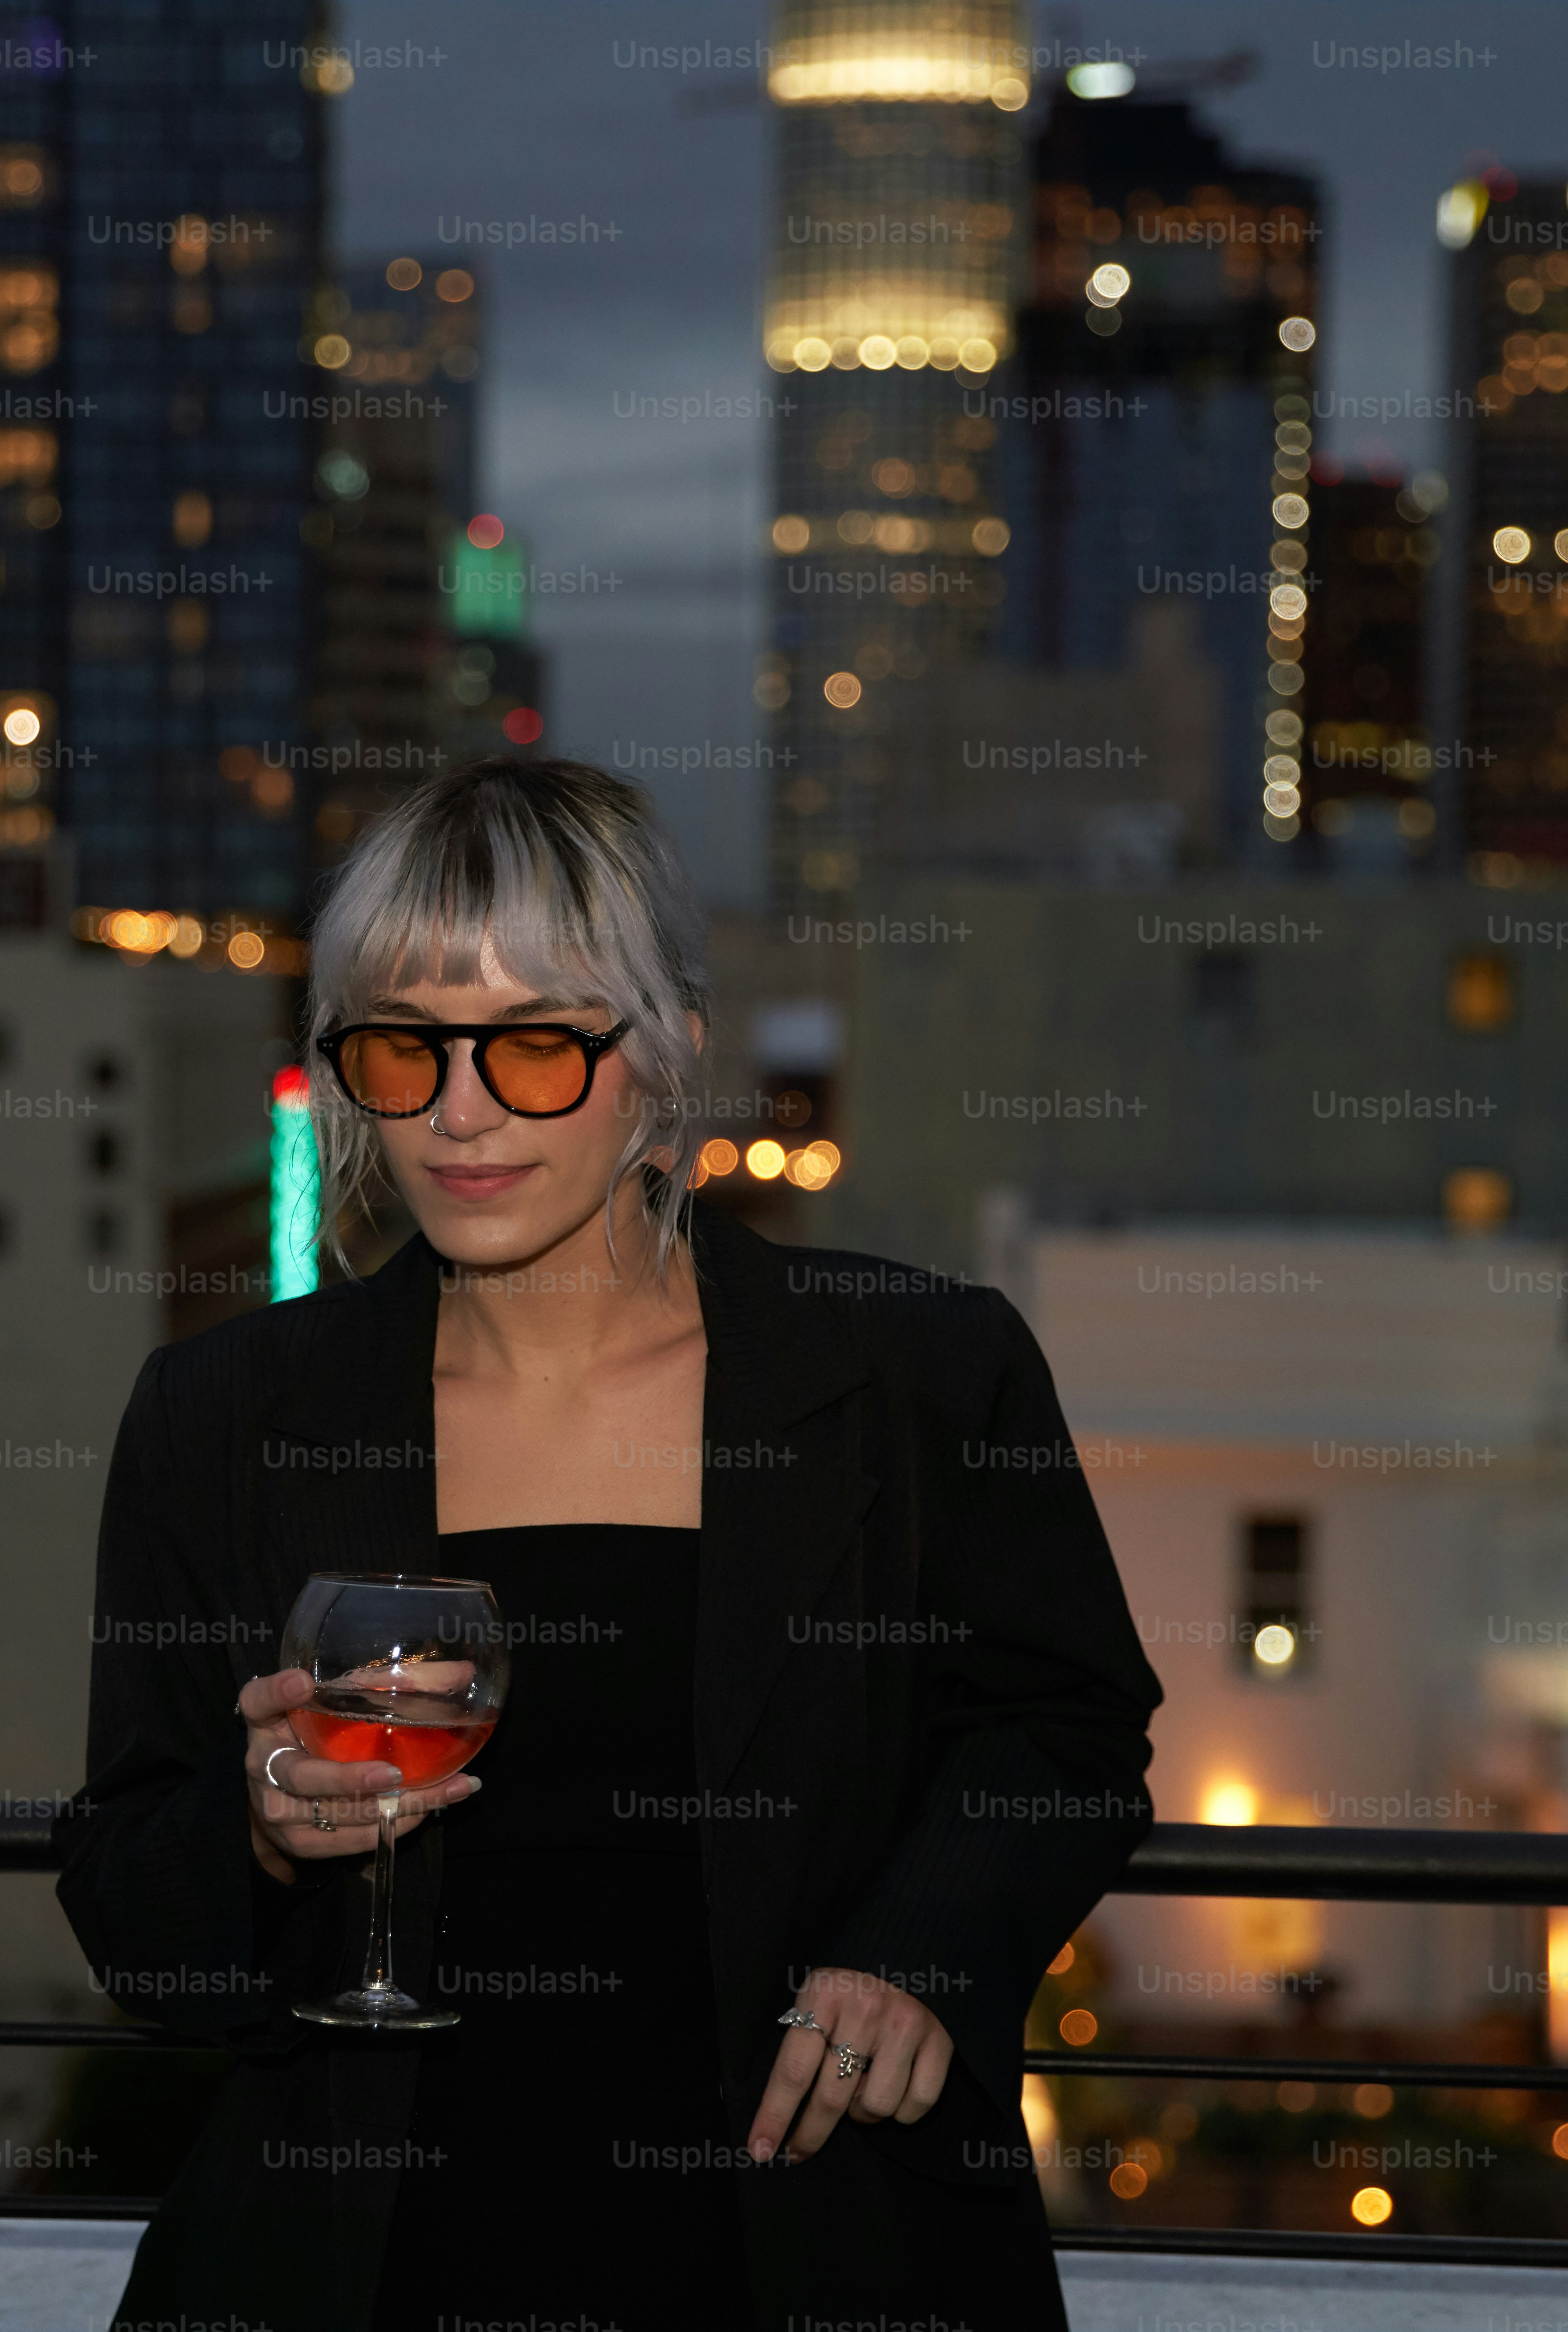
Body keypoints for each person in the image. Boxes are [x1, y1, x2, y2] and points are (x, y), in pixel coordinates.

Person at [57, 755, 1164, 2331]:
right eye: (404, 1047)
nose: (458, 1113)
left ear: (668, 1056)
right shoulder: (222, 1414)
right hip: (363, 2269)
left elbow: (1067, 1731)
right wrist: (249, 1830)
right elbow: (129, 1911)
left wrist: (919, 1957)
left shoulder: (915, 1374)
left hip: (815, 2242)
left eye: (531, 1047)